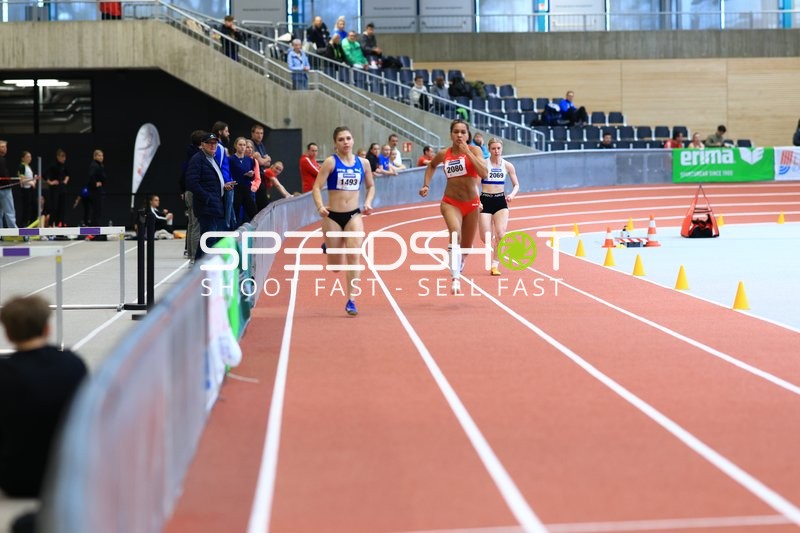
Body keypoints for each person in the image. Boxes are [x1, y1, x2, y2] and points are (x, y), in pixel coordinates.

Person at [0, 295, 87, 499]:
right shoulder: (73, 363)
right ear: (47, 329)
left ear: (8, 335)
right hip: (69, 474)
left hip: (17, 480)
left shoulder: (4, 373)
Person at [419, 119, 489, 294]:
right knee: (454, 232)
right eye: (456, 132)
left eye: (463, 132)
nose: (459, 135)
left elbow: (484, 172)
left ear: (468, 135)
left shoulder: (475, 150)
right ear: (451, 134)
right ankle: (455, 278)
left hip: (471, 204)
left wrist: (467, 152)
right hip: (450, 202)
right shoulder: (444, 154)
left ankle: (461, 258)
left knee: (466, 247)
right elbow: (432, 165)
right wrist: (426, 184)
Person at [312, 126, 375, 316]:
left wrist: (368, 202)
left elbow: (371, 186)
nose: (345, 142)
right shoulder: (331, 162)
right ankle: (330, 247)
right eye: (341, 139)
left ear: (353, 140)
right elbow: (316, 187)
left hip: (354, 215)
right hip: (332, 217)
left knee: (354, 256)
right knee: (335, 267)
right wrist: (320, 206)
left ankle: (352, 300)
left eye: (348, 138)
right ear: (335, 143)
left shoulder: (363, 163)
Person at [185, 132, 235, 259]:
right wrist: (207, 197)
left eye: (215, 143)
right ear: (203, 144)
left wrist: (223, 186)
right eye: (210, 143)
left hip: (215, 204)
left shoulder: (212, 159)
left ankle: (202, 268)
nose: (213, 146)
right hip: (207, 206)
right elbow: (191, 183)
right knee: (208, 239)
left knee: (210, 239)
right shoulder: (198, 159)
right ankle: (199, 268)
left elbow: (211, 181)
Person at [478, 138, 519, 276]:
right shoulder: (483, 164)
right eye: (493, 148)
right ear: (489, 150)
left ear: (502, 149)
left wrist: (512, 195)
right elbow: (474, 185)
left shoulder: (508, 166)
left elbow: (516, 185)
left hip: (500, 201)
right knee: (486, 238)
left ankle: (495, 265)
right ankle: (492, 236)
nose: (496, 151)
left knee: (501, 234)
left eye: (498, 148)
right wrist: (477, 201)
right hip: (485, 201)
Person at [180, 131, 203, 264]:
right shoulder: (196, 157)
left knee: (191, 223)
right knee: (195, 225)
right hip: (192, 192)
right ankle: (194, 256)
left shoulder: (190, 154)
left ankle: (189, 252)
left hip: (188, 191)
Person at [229, 136, 257, 224]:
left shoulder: (249, 160)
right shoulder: (230, 159)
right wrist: (243, 174)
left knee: (253, 212)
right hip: (236, 189)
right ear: (235, 146)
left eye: (244, 145)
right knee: (235, 213)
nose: (242, 147)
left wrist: (250, 175)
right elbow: (229, 174)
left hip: (247, 189)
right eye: (240, 145)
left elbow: (253, 176)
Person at [46, 149, 70, 228]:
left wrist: (66, 180)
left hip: (62, 188)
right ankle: (50, 225)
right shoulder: (53, 165)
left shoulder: (64, 165)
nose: (64, 159)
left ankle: (60, 225)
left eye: (64, 157)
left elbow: (68, 174)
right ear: (58, 157)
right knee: (54, 207)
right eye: (62, 157)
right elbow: (44, 175)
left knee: (62, 208)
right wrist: (50, 182)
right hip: (54, 189)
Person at [86, 149, 107, 231]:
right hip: (94, 191)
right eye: (99, 155)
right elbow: (91, 176)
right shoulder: (94, 165)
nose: (101, 157)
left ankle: (95, 227)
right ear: (95, 156)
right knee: (96, 209)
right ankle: (93, 228)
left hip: (98, 190)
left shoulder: (100, 165)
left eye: (102, 155)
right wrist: (95, 183)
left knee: (98, 209)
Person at [17, 151, 39, 227]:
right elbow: (22, 180)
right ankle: (24, 225)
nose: (30, 158)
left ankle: (32, 225)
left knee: (34, 208)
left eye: (30, 157)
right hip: (25, 190)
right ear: (23, 158)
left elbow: (30, 179)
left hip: (31, 190)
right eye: (27, 157)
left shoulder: (28, 167)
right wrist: (31, 183)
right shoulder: (22, 166)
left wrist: (34, 180)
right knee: (26, 209)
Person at [0, 140, 18, 230]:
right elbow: (3, 174)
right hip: (5, 189)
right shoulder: (2, 160)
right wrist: (9, 183)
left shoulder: (3, 159)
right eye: (2, 147)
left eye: (5, 147)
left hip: (3, 188)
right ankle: (14, 232)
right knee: (9, 212)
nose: (5, 149)